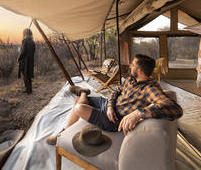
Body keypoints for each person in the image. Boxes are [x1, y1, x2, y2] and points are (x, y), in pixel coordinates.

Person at [46, 54, 183, 145]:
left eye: (133, 65)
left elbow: (175, 109)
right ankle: (81, 96)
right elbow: (117, 91)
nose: (130, 66)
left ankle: (60, 135)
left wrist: (139, 112)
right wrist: (110, 106)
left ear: (140, 71)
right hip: (108, 106)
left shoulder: (149, 89)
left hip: (113, 120)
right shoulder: (131, 78)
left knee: (79, 107)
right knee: (79, 100)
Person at [18, 28, 36, 93]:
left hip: (24, 61)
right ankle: (30, 89)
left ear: (25, 33)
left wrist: (19, 58)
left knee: (25, 76)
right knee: (29, 75)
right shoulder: (33, 42)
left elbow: (23, 52)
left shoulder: (24, 41)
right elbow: (33, 51)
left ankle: (27, 90)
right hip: (31, 61)